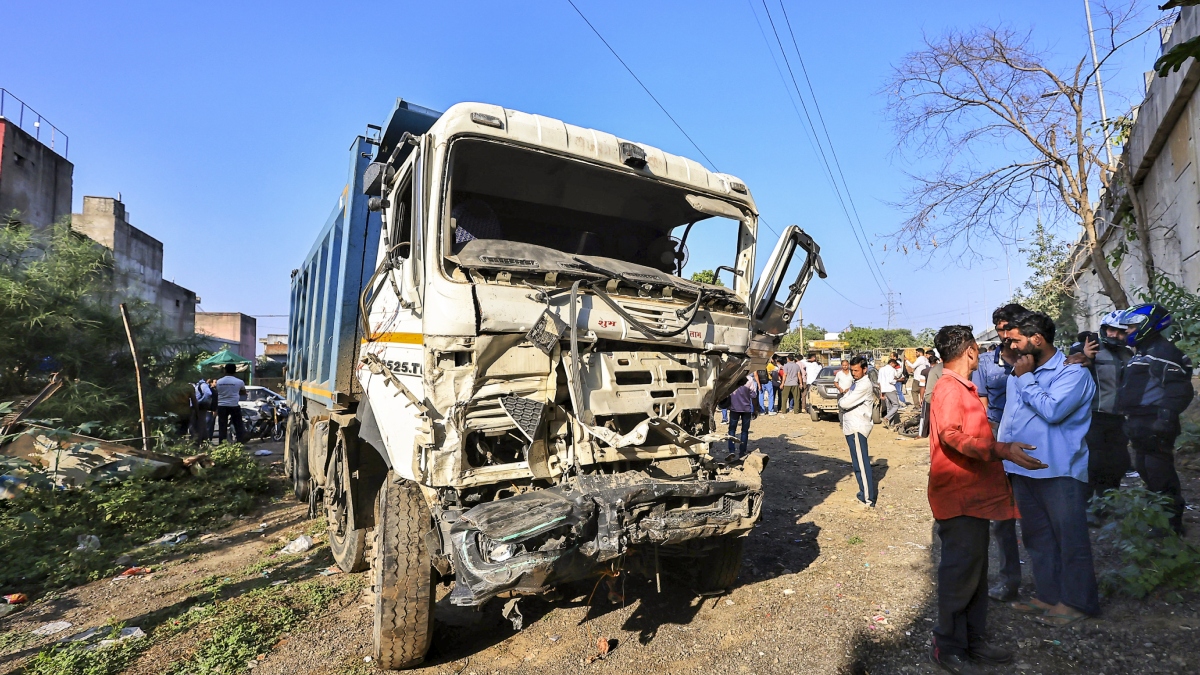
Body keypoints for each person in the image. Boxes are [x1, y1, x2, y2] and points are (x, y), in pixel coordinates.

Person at [926, 325, 1045, 674]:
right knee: (959, 575)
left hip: (973, 495)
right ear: (971, 351)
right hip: (958, 496)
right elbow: (951, 435)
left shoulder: (962, 386)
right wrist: (1000, 449)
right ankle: (947, 646)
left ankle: (973, 641)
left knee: (975, 574)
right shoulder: (949, 388)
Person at [999, 311, 1099, 626]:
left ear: (1037, 339)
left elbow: (1053, 410)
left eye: (1016, 339)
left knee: (1070, 539)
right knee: (1037, 537)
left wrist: (1025, 379)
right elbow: (1012, 416)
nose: (1010, 345)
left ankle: (1078, 602)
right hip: (1023, 469)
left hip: (1058, 469)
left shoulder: (1072, 372)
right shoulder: (1019, 371)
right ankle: (1048, 595)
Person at [1116, 303, 1196, 534]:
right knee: (1145, 471)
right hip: (1140, 423)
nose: (1127, 331)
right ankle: (1158, 519)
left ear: (1147, 325)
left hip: (1155, 422)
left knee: (1160, 474)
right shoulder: (1143, 352)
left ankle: (1171, 527)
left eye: (1132, 326)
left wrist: (1165, 418)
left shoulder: (1163, 352)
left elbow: (1179, 389)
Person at [973, 302, 1027, 602]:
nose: (1003, 334)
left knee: (1034, 515)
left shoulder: (1036, 358)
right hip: (999, 443)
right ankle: (1009, 581)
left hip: (1032, 442)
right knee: (1002, 517)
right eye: (999, 329)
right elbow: (981, 402)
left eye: (1008, 328)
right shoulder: (986, 363)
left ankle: (1050, 581)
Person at [1071, 312, 1133, 513]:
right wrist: (1085, 356)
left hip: (1118, 418)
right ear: (1104, 329)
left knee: (1118, 463)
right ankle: (1086, 507)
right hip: (1093, 416)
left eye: (1121, 331)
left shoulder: (1128, 354)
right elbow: (1071, 372)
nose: (1115, 335)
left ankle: (1108, 505)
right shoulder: (1088, 349)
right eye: (1111, 330)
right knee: (1092, 463)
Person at [839, 355, 878, 508]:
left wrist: (842, 400)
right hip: (851, 426)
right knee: (857, 464)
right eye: (852, 370)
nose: (853, 373)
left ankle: (868, 499)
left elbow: (845, 402)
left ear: (864, 369)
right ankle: (863, 493)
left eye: (856, 370)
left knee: (861, 464)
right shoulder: (857, 383)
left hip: (858, 427)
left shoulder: (864, 385)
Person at [727, 373, 759, 458]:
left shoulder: (733, 378)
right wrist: (755, 409)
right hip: (746, 409)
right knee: (744, 431)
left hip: (734, 409)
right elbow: (753, 395)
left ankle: (731, 450)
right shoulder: (749, 379)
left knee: (732, 430)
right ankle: (742, 452)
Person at [215, 364, 248, 444]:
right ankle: (240, 443)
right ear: (235, 371)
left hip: (222, 406)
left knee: (222, 426)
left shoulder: (219, 382)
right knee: (238, 425)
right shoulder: (239, 382)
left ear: (225, 370)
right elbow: (243, 392)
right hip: (234, 405)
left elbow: (217, 392)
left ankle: (222, 444)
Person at [877, 358, 901, 425]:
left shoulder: (881, 369)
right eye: (894, 365)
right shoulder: (892, 370)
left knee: (889, 407)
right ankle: (886, 418)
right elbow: (891, 381)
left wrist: (881, 393)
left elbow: (879, 382)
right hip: (890, 389)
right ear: (892, 363)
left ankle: (891, 424)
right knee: (896, 405)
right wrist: (898, 380)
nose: (894, 366)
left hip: (884, 390)